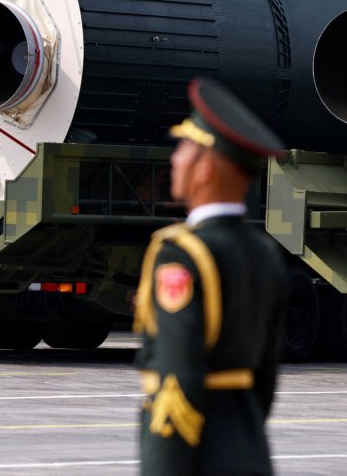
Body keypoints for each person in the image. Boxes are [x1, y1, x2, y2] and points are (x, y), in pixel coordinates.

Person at [134, 77, 288, 475]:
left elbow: (178, 375)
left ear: (204, 167)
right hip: (247, 448)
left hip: (197, 458)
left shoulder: (182, 254)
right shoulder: (265, 254)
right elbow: (266, 376)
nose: (175, 160)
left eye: (184, 147)